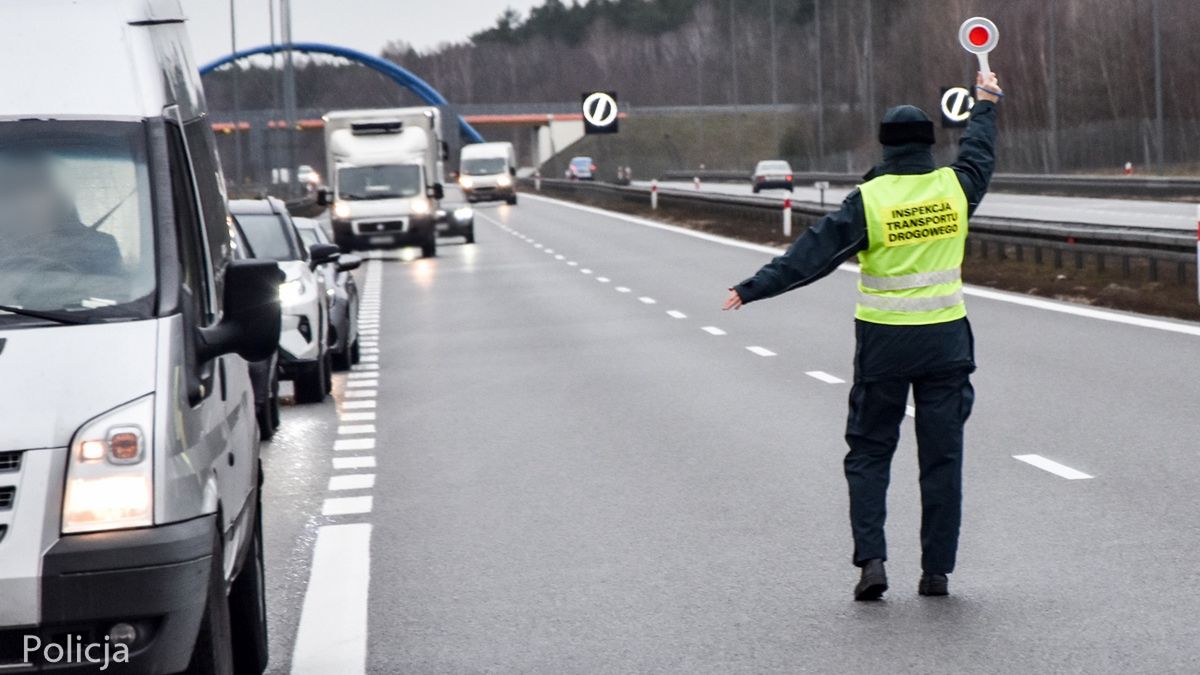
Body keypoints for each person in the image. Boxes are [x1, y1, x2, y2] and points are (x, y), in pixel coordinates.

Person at [722, 71, 1002, 601]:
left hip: (885, 347)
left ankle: (872, 562)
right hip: (946, 344)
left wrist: (752, 288)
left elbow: (811, 256)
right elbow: (979, 155)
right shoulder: (955, 188)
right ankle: (936, 572)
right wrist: (985, 103)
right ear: (928, 144)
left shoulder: (868, 201)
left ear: (885, 146)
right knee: (941, 460)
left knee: (870, 453)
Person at [0, 149, 122, 278]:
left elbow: (118, 293)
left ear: (54, 198)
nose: (22, 201)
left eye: (33, 187)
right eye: (9, 189)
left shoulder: (98, 248)